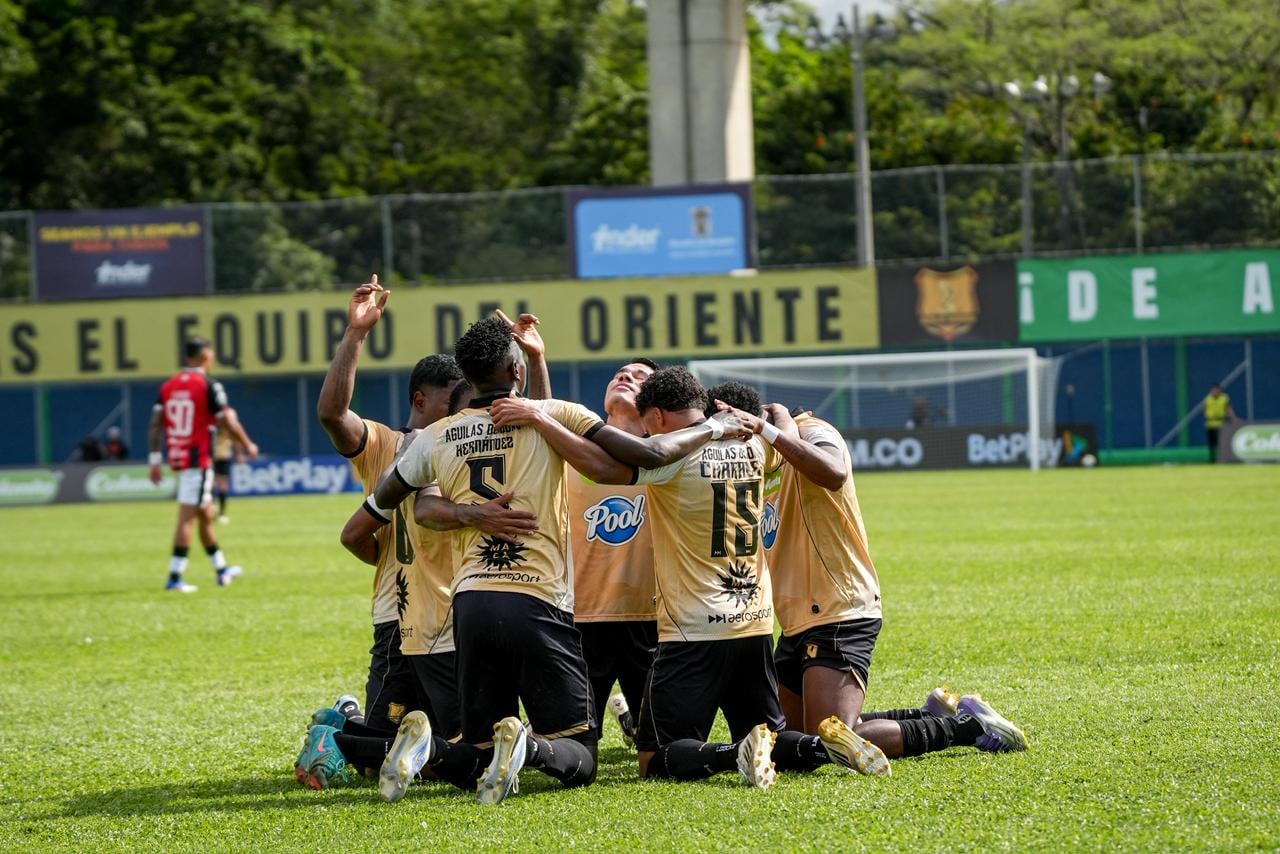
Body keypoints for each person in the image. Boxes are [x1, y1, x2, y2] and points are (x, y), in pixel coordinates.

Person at [337, 317, 737, 804]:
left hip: (470, 606)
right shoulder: (552, 414)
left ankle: (430, 751)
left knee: (479, 752)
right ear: (516, 371)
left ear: (468, 376)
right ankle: (527, 745)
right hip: (537, 601)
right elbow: (643, 455)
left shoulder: (435, 436)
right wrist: (715, 426)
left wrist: (467, 513)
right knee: (580, 755)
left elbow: (391, 505)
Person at [498, 367, 878, 789]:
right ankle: (821, 747)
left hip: (694, 630)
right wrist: (778, 414)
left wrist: (542, 419)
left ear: (657, 417)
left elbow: (603, 468)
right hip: (754, 627)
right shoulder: (754, 445)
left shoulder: (671, 459)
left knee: (654, 759)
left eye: (647, 424)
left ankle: (735, 754)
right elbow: (785, 441)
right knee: (770, 735)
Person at [708, 382, 1027, 770]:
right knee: (792, 741)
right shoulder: (759, 458)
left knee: (834, 737)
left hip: (840, 608)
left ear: (745, 423)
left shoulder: (813, 430)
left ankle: (966, 726)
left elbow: (834, 472)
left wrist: (769, 429)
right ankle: (928, 715)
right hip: (797, 618)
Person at [311, 278, 464, 764]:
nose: (460, 413)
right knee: (380, 746)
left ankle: (351, 722)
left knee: (457, 738)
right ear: (420, 402)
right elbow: (332, 414)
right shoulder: (384, 444)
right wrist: (356, 334)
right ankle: (346, 725)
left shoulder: (466, 445)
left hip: (460, 612)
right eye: (451, 403)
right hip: (398, 613)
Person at [566, 358, 661, 746]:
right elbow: (542, 412)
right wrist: (537, 358)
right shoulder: (573, 451)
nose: (625, 377)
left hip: (651, 617)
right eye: (620, 373)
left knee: (658, 744)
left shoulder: (670, 456)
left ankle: (632, 719)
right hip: (582, 617)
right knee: (576, 744)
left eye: (640, 378)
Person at [148, 336, 258, 592]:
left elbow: (155, 425)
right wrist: (247, 444)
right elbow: (228, 420)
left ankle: (221, 569)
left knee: (206, 515)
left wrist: (154, 460)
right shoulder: (208, 385)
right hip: (198, 460)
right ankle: (175, 577)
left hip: (179, 455)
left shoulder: (168, 386)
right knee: (187, 518)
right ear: (206, 355)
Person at [211, 409, 245, 522]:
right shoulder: (228, 415)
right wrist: (239, 453)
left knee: (215, 484)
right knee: (220, 484)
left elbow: (235, 436)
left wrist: (239, 453)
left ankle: (216, 511)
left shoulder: (211, 414)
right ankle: (220, 513)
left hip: (215, 455)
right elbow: (236, 435)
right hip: (219, 454)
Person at [1204, 383, 1236, 463]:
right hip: (1211, 424)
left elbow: (1228, 408)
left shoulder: (1224, 398)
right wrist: (1208, 414)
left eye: (1217, 389)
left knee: (1221, 443)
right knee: (1211, 443)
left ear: (1219, 390)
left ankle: (1222, 458)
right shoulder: (1208, 398)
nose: (1215, 391)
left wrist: (1233, 417)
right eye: (1214, 390)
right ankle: (1212, 459)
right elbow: (1205, 408)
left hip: (1221, 424)